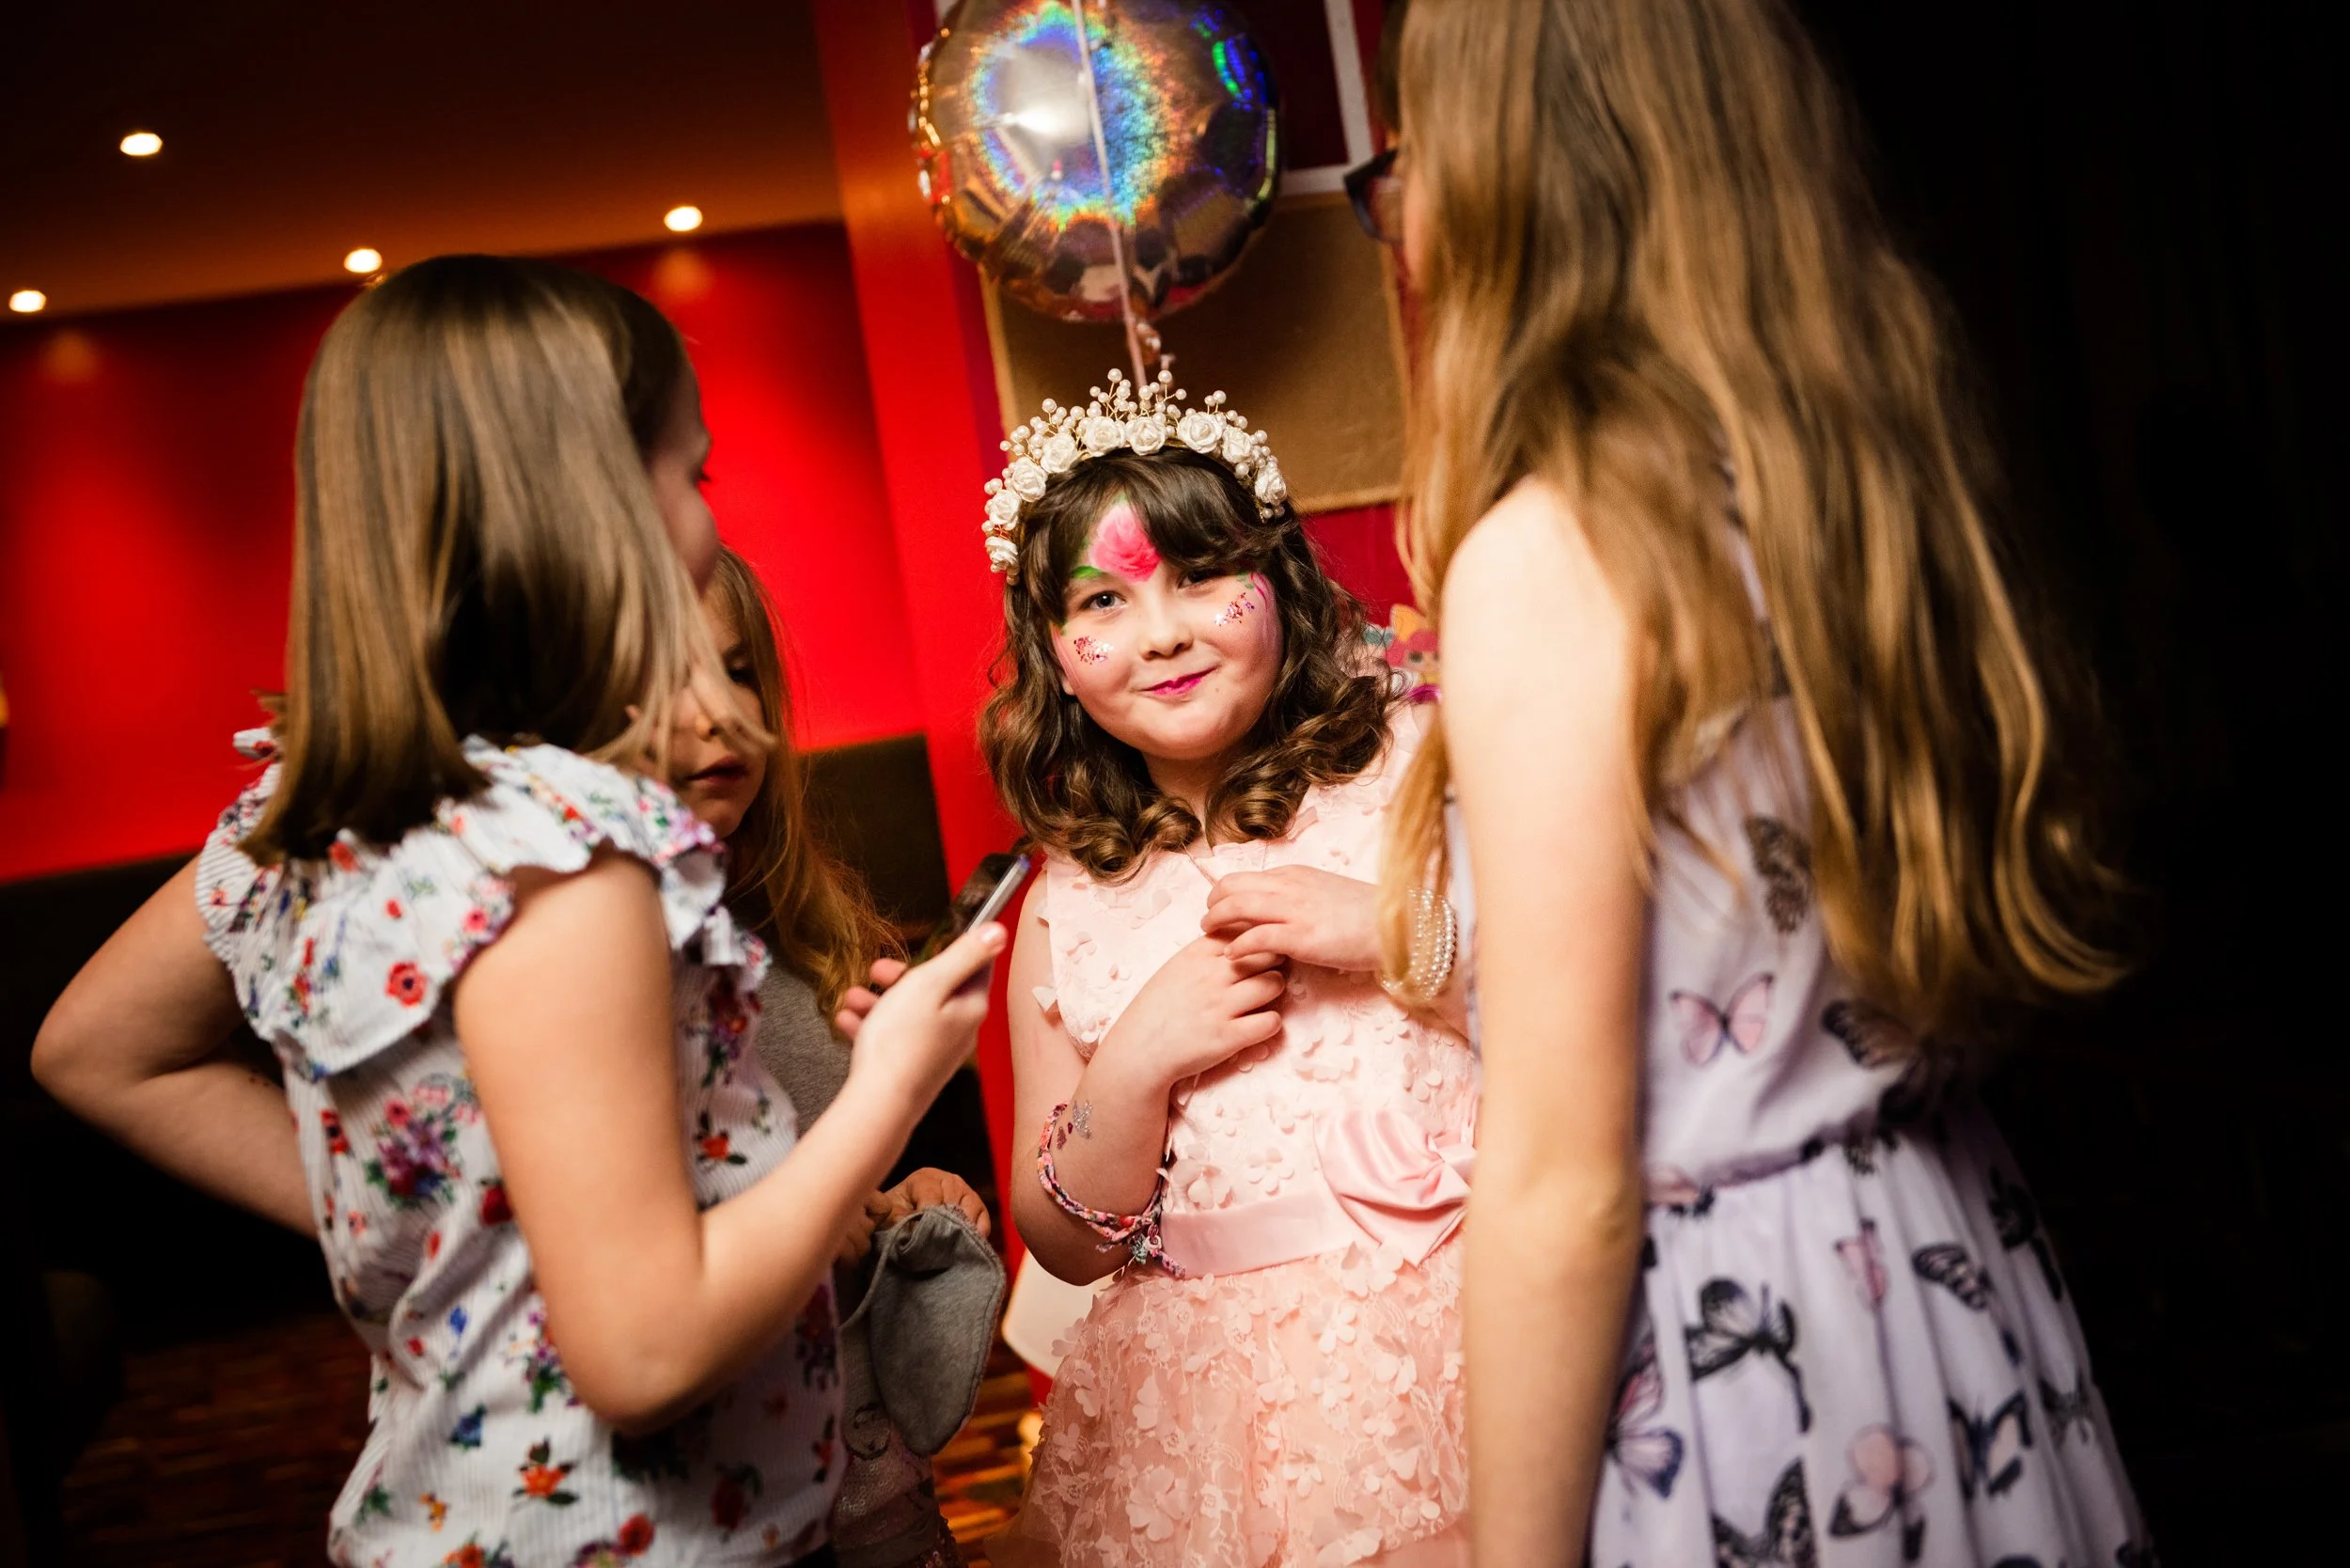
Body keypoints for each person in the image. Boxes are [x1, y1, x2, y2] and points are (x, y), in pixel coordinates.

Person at [30, 255, 1003, 1567]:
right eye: (691, 473)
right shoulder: (571, 860)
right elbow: (647, 1351)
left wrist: (443, 1215)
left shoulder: (355, 826)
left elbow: (92, 1048)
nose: (706, 522)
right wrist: (894, 1080)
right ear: (588, 505)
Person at [1373, 1, 2153, 1563]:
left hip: (1749, 1339)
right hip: (1951, 1271)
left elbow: (1564, 1177)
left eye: (1412, 143)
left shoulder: (1558, 549)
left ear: (1503, 168)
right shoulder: (1863, 486)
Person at [974, 369, 1478, 1566]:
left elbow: (1603, 1018)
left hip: (1465, 1334)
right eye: (1104, 598)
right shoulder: (1063, 905)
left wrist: (1406, 935)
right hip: (1209, 1416)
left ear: (1279, 579)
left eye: (1199, 574)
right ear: (1054, 652)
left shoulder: (1420, 770)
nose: (1161, 632)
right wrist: (1135, 1064)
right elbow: (1065, 1241)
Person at [676, 545, 987, 1568]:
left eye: (736, 672)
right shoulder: (590, 974)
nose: (716, 715)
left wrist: (902, 1199)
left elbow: (843, 1188)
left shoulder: (806, 939)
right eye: (670, 679)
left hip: (873, 1491)